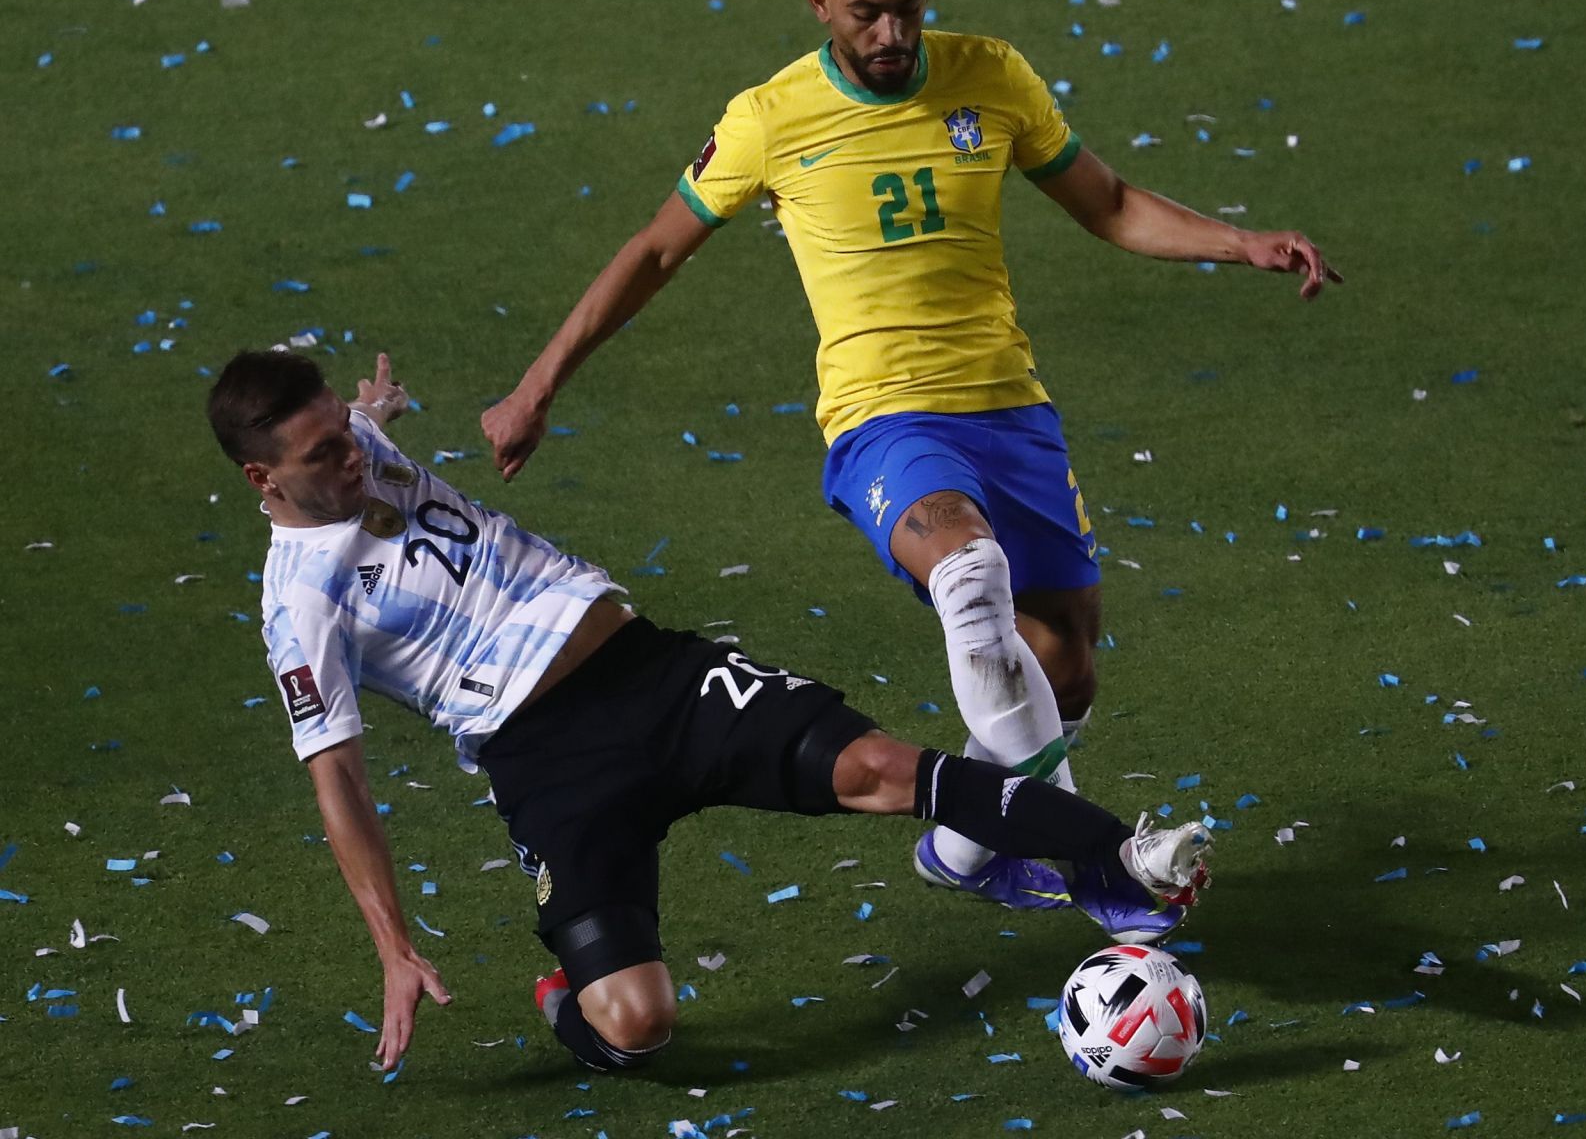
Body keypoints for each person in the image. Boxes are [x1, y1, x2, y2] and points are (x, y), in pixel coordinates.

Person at [480, 0, 1336, 917]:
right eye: (862, 14)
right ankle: (1090, 854)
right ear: (818, 1)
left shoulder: (994, 76)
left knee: (1062, 670)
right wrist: (537, 388)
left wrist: (1239, 240)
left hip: (1009, 407)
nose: (888, 34)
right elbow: (656, 249)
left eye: (903, 8)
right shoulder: (770, 119)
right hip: (885, 417)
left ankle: (966, 849)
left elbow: (1106, 203)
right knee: (968, 573)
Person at [209, 349, 1211, 1073]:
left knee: (880, 769)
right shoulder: (298, 606)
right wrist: (393, 945)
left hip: (657, 677)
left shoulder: (357, 446)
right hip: (550, 767)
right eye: (325, 451)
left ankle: (1120, 858)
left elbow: (364, 432)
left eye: (350, 428)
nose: (352, 454)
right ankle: (573, 998)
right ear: (264, 480)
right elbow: (336, 782)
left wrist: (376, 406)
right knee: (636, 1022)